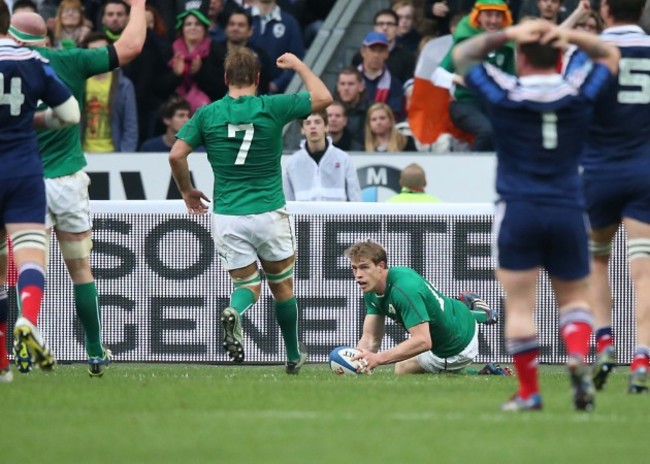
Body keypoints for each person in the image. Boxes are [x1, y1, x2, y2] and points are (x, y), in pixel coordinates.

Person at [452, 19, 619, 410]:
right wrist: (570, 34)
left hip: (519, 209)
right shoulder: (578, 93)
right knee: (574, 299)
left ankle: (529, 392)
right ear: (560, 56)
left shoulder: (505, 94)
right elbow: (609, 55)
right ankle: (577, 356)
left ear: (520, 57)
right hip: (567, 208)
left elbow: (462, 54)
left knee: (521, 305)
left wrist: (510, 34)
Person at [169, 48, 333, 374]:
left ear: (226, 78)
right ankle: (291, 354)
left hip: (229, 215)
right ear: (258, 79)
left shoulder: (207, 114)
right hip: (269, 211)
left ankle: (235, 310)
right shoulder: (272, 106)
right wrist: (299, 65)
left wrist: (187, 191)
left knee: (247, 286)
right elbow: (324, 98)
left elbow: (176, 155)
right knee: (282, 287)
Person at [29, 0, 147, 376]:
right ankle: (95, 351)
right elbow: (129, 48)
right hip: (67, 180)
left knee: (24, 267)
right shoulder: (70, 60)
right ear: (48, 31)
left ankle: (19, 346)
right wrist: (139, 3)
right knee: (80, 268)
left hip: (25, 180)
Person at [0, 8, 81, 380]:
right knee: (31, 256)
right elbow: (70, 114)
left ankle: (2, 363)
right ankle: (28, 318)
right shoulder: (32, 61)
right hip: (23, 171)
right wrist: (35, 120)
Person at [582, 0, 650, 394]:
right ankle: (642, 357)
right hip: (644, 169)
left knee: (596, 260)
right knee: (644, 272)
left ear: (604, 9)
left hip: (600, 170)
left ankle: (605, 343)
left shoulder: (589, 51)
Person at [345, 241, 496, 376]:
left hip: (456, 347)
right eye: (354, 268)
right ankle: (479, 314)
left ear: (381, 266)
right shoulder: (372, 286)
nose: (358, 275)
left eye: (364, 267)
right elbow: (370, 338)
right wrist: (355, 363)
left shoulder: (403, 289)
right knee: (436, 311)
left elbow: (423, 341)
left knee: (402, 368)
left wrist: (378, 359)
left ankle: (483, 374)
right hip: (457, 314)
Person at [439, 0, 516, 152]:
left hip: (492, 105)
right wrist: (460, 79)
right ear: (478, 17)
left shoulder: (507, 47)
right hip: (465, 104)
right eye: (488, 15)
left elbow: (512, 81)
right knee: (487, 131)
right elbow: (438, 74)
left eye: (498, 16)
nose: (493, 20)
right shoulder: (465, 43)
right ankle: (470, 170)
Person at [283, 110, 362, 202]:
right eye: (308, 123)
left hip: (337, 216)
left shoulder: (343, 159)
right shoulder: (291, 164)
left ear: (326, 127)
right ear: (302, 130)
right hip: (305, 216)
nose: (312, 126)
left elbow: (356, 199)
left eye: (317, 122)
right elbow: (287, 203)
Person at [80, 32, 139, 153]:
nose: (98, 55)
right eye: (93, 51)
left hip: (114, 153)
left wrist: (124, 156)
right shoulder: (78, 82)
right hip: (82, 154)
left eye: (103, 50)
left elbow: (130, 126)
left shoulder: (124, 85)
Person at [168, 9, 228, 112]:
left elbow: (222, 88)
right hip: (174, 111)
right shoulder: (170, 51)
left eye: (198, 24)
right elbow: (159, 88)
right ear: (182, 29)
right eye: (188, 24)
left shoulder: (217, 51)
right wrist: (176, 75)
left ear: (205, 29)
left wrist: (199, 73)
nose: (193, 27)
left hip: (211, 110)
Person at [357, 31, 404, 121]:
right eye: (372, 50)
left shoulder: (394, 84)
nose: (376, 55)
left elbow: (394, 115)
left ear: (387, 54)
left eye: (381, 51)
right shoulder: (349, 79)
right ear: (363, 51)